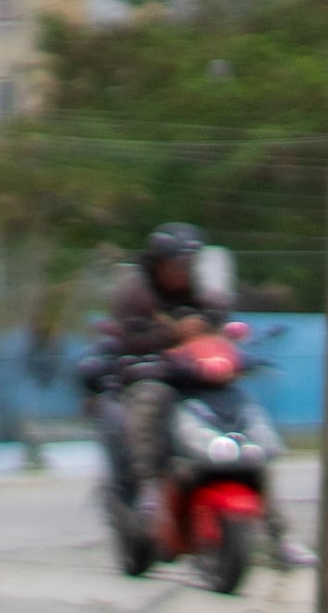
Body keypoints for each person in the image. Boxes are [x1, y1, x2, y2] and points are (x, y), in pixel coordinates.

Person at [84, 219, 231, 550]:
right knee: (153, 398)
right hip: (148, 376)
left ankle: (276, 530)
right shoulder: (135, 293)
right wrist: (174, 334)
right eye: (178, 263)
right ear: (159, 263)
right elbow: (131, 339)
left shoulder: (199, 289)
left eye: (190, 263)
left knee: (238, 405)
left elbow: (218, 313)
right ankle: (150, 487)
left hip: (194, 377)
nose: (184, 270)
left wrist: (211, 325)